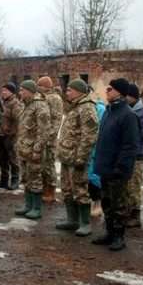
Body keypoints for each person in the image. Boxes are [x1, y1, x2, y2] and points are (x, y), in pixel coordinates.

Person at [91, 78, 140, 251]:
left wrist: (121, 168)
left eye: (110, 89)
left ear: (119, 92)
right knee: (107, 203)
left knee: (118, 204)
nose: (107, 91)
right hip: (105, 167)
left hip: (117, 170)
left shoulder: (128, 115)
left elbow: (130, 146)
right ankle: (109, 233)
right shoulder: (109, 111)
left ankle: (119, 236)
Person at [56, 79, 100, 236]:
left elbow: (90, 136)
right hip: (67, 157)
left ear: (79, 91)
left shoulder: (87, 108)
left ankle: (85, 223)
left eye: (70, 90)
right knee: (67, 189)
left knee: (80, 190)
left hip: (77, 158)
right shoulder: (74, 106)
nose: (66, 92)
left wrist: (81, 158)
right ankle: (72, 220)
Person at [14, 80, 52, 220]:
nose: (20, 92)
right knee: (26, 178)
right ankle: (28, 205)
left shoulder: (40, 105)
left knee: (35, 178)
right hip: (24, 149)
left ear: (30, 91)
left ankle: (36, 208)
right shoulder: (26, 105)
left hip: (34, 151)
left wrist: (37, 149)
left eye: (22, 90)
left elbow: (44, 131)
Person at [125, 83, 143, 227]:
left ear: (133, 96)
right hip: (125, 153)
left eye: (127, 95)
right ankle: (126, 212)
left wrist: (132, 137)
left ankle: (135, 215)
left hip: (137, 154)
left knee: (134, 186)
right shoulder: (127, 108)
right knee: (125, 185)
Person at [37, 76, 64, 204]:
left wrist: (49, 137)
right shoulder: (42, 97)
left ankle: (50, 192)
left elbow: (56, 120)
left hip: (49, 139)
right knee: (42, 165)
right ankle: (44, 190)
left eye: (40, 85)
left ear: (45, 86)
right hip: (42, 137)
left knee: (48, 165)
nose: (38, 88)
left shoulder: (54, 98)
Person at [0, 82, 23, 190]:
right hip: (0, 135)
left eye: (6, 91)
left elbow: (19, 120)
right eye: (2, 90)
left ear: (12, 92)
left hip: (11, 136)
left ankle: (15, 180)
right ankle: (3, 180)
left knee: (13, 159)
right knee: (1, 159)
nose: (3, 92)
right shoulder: (2, 103)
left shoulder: (15, 104)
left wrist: (13, 133)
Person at [88, 95, 107, 219]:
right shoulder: (90, 107)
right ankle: (93, 203)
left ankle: (97, 205)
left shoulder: (100, 109)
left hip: (96, 148)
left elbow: (98, 129)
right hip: (89, 148)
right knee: (89, 177)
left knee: (95, 177)